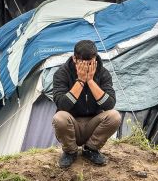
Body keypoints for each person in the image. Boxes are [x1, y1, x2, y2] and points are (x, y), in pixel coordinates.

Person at [52, 40, 122, 168]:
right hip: (71, 124)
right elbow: (62, 105)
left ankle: (91, 149)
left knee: (114, 116)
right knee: (59, 117)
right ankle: (70, 152)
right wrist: (80, 81)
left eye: (90, 64)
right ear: (74, 59)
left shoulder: (103, 73)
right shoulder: (62, 73)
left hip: (93, 125)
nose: (87, 68)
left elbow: (109, 104)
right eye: (82, 64)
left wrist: (90, 81)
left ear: (95, 59)